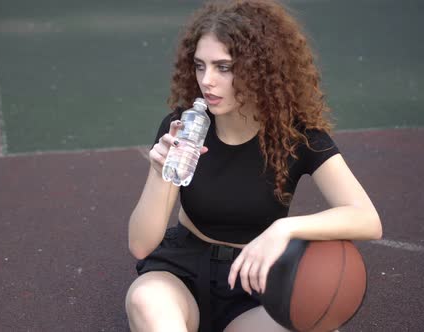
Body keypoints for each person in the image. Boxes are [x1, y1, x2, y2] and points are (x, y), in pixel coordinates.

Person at [125, 0, 383, 331]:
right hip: (183, 271)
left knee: (316, 324)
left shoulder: (297, 135)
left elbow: (367, 218)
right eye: (200, 65)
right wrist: (158, 172)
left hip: (255, 277)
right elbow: (141, 245)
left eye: (224, 67)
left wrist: (284, 229)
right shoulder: (184, 127)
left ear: (261, 69)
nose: (207, 80)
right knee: (146, 300)